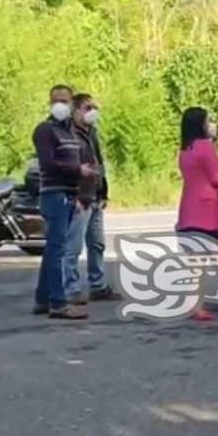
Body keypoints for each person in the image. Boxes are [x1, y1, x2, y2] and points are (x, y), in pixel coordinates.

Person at [32, 84, 97, 320]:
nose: (61, 105)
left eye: (65, 101)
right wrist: (77, 169)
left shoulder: (70, 132)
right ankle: (58, 303)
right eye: (56, 100)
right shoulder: (45, 130)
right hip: (54, 194)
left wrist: (82, 184)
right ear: (50, 103)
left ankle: (43, 298)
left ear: (71, 104)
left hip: (69, 195)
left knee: (54, 248)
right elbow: (48, 164)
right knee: (57, 250)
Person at [63, 93, 122, 306]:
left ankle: (98, 285)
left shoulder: (91, 132)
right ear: (76, 111)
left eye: (94, 107)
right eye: (88, 108)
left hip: (95, 195)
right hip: (80, 197)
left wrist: (103, 191)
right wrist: (75, 195)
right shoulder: (69, 134)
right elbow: (68, 167)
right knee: (73, 246)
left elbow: (98, 163)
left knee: (97, 244)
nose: (92, 112)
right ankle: (70, 289)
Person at [176, 107, 218, 322]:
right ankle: (197, 306)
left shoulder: (184, 149)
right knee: (203, 260)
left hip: (188, 205)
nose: (211, 125)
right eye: (208, 121)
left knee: (192, 260)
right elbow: (215, 178)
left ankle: (190, 303)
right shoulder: (206, 146)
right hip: (206, 208)